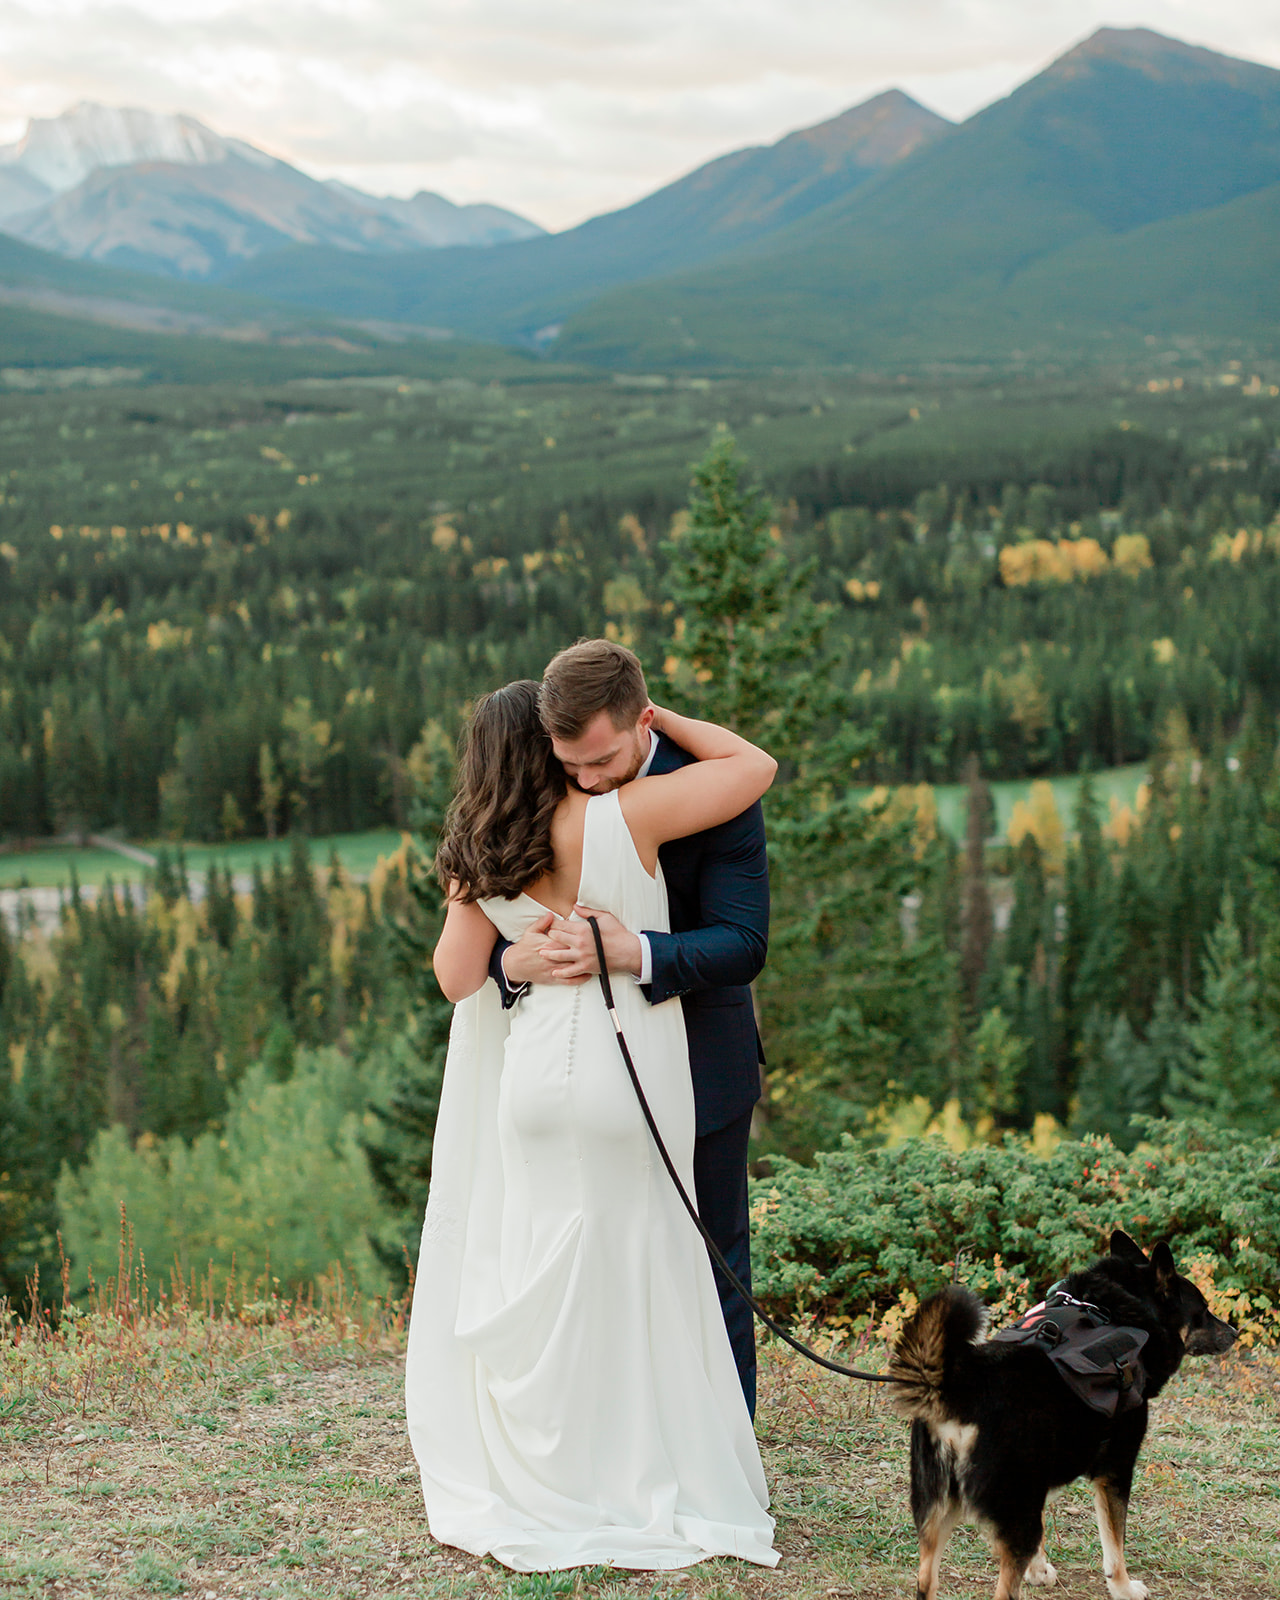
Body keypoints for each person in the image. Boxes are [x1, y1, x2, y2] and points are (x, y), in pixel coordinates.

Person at [405, 676, 778, 1573]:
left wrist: (513, 956)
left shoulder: (478, 847)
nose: (585, 770)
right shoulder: (620, 816)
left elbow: (454, 976)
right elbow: (755, 763)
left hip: (536, 1085)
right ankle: (678, 1464)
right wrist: (521, 959)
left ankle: (561, 1460)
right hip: (630, 1073)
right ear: (545, 750)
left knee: (553, 1266)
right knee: (660, 1263)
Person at [491, 639, 770, 1415]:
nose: (585, 780)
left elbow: (744, 942)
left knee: (715, 1258)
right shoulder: (546, 775)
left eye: (603, 760)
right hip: (581, 1076)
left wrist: (635, 951)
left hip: (702, 1056)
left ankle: (727, 1444)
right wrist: (514, 965)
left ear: (643, 720)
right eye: (569, 762)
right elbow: (489, 923)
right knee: (594, 1256)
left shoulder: (710, 785)